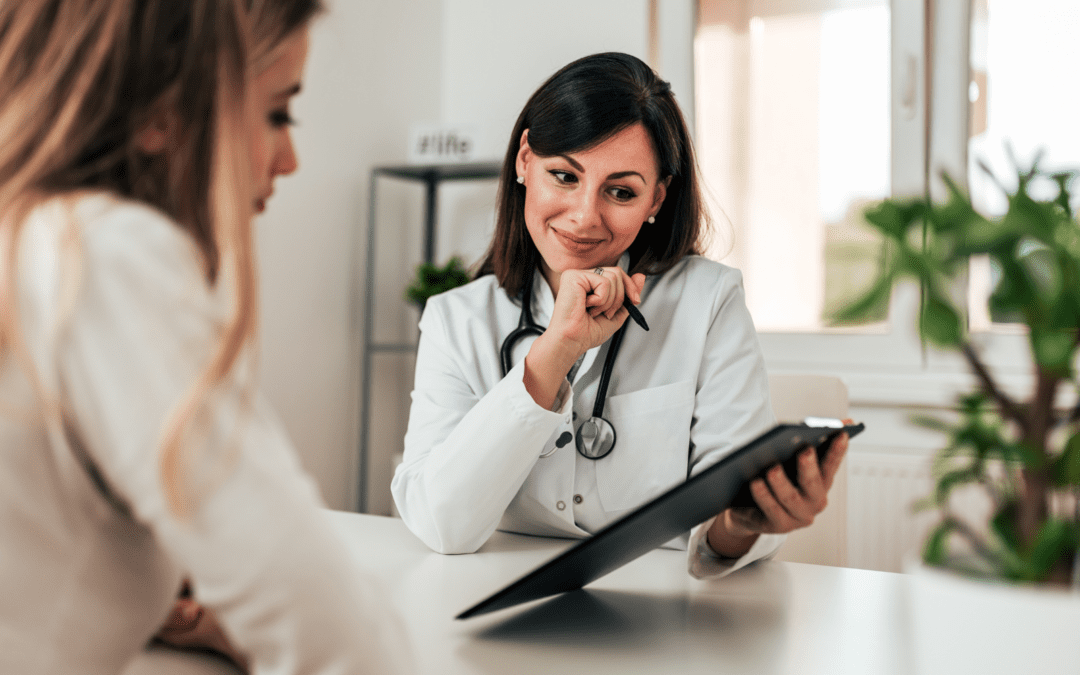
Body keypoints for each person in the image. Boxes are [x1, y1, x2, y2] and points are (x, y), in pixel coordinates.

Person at [0, 2, 409, 673]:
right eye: (278, 113)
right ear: (162, 110)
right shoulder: (99, 254)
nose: (290, 159)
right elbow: (323, 619)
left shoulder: (26, 239)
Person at [391, 52, 849, 578]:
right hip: (496, 593)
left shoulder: (708, 301)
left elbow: (722, 519)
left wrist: (743, 522)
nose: (585, 217)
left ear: (656, 198)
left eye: (621, 192)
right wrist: (553, 352)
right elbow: (441, 525)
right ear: (524, 161)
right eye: (564, 176)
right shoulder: (455, 320)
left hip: (666, 604)